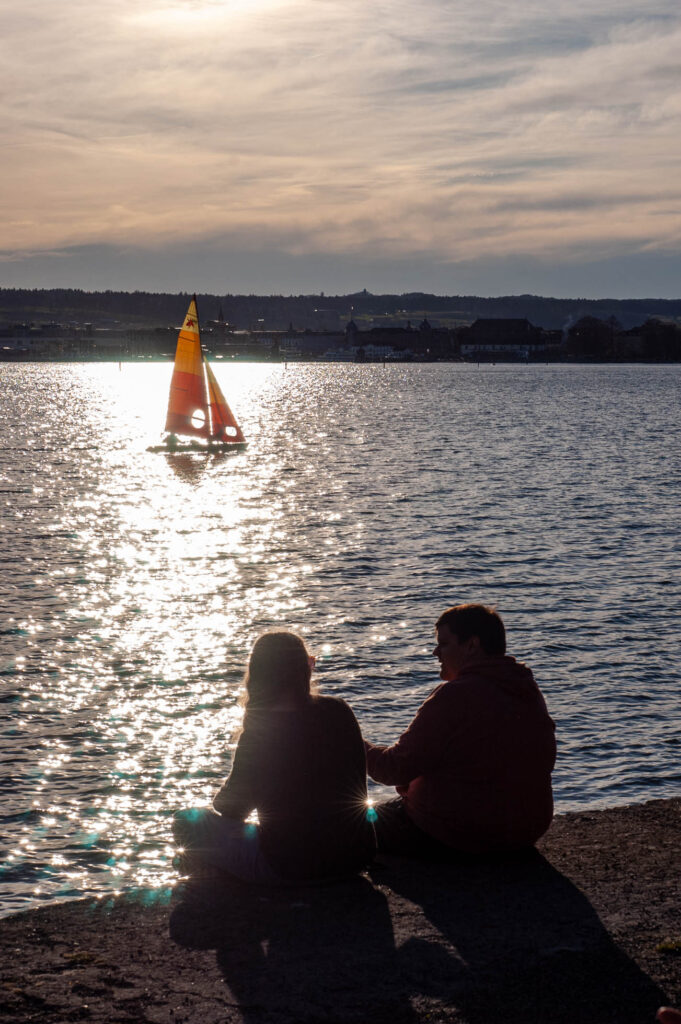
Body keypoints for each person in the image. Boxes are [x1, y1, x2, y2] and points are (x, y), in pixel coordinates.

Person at [173, 631, 376, 883]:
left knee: (187, 821)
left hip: (290, 866)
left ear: (258, 675)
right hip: (353, 858)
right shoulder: (339, 710)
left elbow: (231, 809)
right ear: (303, 671)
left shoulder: (262, 730)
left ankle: (208, 885)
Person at [364, 604, 556, 857]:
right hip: (525, 830)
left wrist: (348, 740)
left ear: (472, 645)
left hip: (460, 832)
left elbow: (392, 769)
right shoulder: (525, 688)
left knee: (344, 823)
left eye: (443, 644)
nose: (435, 653)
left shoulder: (456, 696)